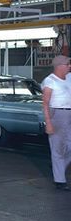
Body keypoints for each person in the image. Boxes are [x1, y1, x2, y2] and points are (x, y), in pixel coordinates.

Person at [42, 55, 71, 191]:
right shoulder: (50, 81)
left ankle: (57, 166)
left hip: (69, 114)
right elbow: (46, 103)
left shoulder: (70, 78)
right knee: (58, 148)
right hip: (57, 114)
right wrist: (48, 123)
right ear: (59, 66)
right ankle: (60, 180)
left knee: (68, 148)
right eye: (68, 64)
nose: (70, 66)